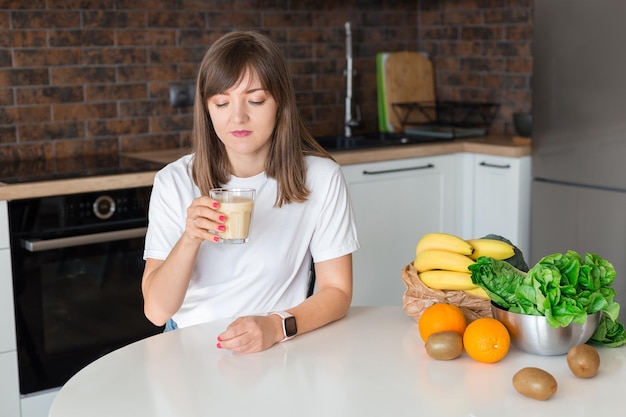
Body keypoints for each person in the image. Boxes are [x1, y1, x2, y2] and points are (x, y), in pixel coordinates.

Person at [141, 30, 359, 354]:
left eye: (255, 100)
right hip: (190, 346)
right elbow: (156, 312)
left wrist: (276, 325)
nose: (238, 116)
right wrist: (190, 238)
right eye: (222, 102)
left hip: (279, 344)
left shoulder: (322, 178)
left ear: (279, 102)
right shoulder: (173, 182)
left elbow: (337, 290)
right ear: (207, 108)